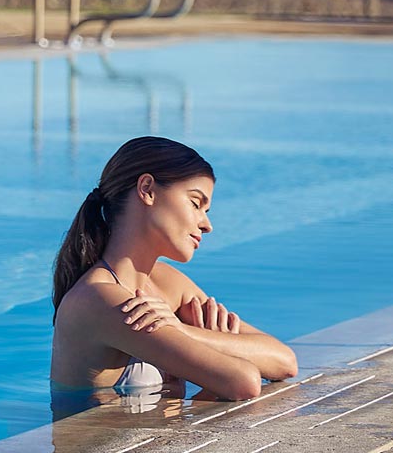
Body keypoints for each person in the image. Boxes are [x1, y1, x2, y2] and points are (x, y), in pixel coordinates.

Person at [49, 136, 297, 408]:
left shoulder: (166, 283)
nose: (206, 225)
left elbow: (284, 361)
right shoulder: (99, 299)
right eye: (195, 202)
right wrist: (203, 339)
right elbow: (243, 382)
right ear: (147, 189)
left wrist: (183, 330)